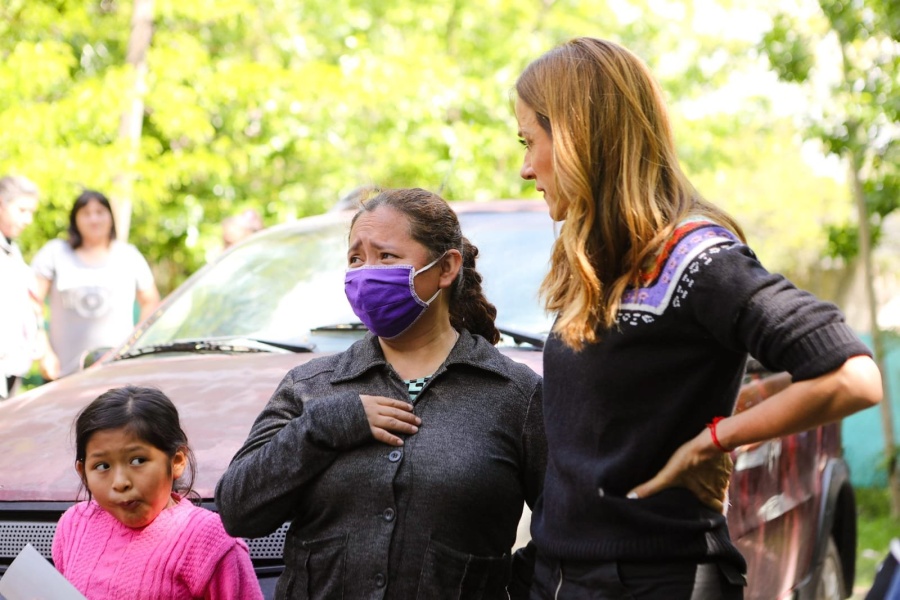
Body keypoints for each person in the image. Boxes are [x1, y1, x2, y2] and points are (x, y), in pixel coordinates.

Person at [513, 37, 883, 599]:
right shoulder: (598, 263)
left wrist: (715, 438)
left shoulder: (695, 256)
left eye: (529, 142)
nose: (523, 167)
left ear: (576, 140)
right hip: (564, 575)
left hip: (656, 579)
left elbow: (852, 375)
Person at [215, 187, 546, 599]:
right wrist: (323, 426)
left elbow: (570, 526)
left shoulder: (515, 394)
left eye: (386, 256)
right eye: (356, 258)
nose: (365, 272)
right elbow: (237, 510)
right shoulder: (310, 387)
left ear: (446, 269)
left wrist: (498, 587)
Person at [51, 385, 263, 599]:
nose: (120, 482)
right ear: (83, 472)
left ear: (177, 461)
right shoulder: (74, 525)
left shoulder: (209, 541)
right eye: (102, 466)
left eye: (138, 461)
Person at [32, 189, 160, 379]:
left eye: (100, 212)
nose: (94, 219)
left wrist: (135, 342)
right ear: (75, 219)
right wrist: (44, 351)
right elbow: (31, 302)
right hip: (62, 373)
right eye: (86, 213)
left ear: (110, 217)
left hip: (116, 373)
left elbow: (150, 300)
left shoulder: (128, 256)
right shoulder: (55, 253)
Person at [0, 174, 42, 399]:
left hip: (11, 366)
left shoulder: (11, 250)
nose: (28, 220)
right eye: (22, 210)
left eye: (31, 213)